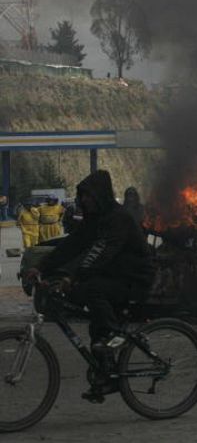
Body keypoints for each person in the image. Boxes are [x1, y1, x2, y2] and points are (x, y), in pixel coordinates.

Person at [25, 170, 154, 401]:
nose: (84, 200)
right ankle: (106, 374)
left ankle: (115, 337)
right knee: (89, 308)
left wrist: (73, 277)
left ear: (101, 196)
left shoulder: (119, 219)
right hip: (113, 276)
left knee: (92, 289)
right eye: (82, 195)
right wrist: (41, 268)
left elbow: (101, 253)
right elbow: (71, 245)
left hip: (134, 279)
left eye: (88, 195)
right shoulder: (94, 220)